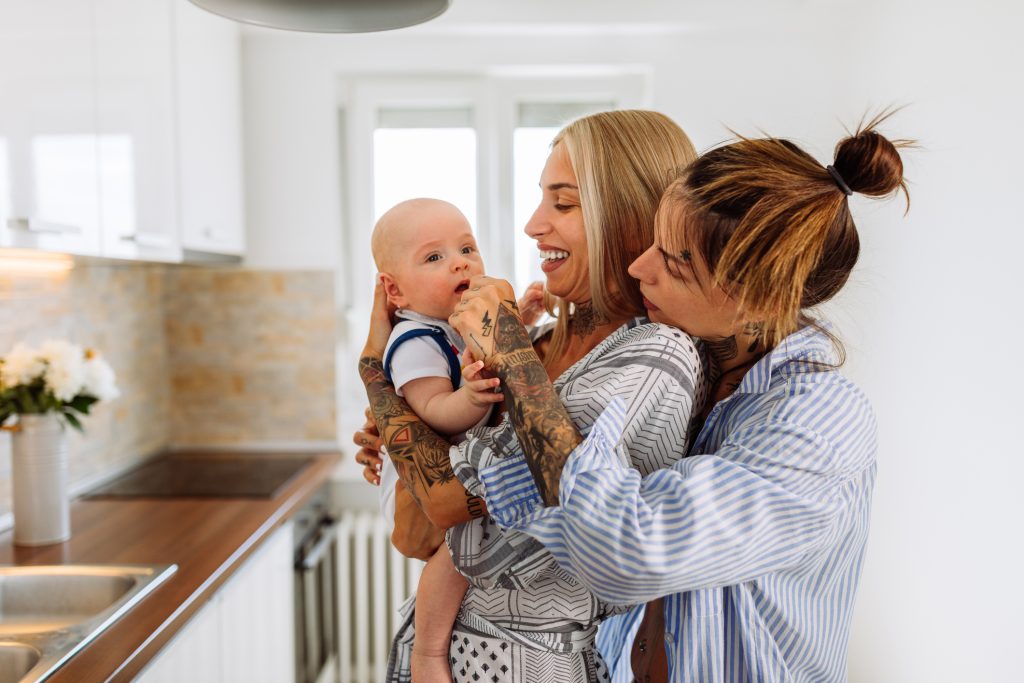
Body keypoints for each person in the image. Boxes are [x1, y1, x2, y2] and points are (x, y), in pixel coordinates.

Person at [448, 113, 910, 681]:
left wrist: (515, 360)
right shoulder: (696, 375)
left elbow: (624, 551)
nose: (641, 266)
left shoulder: (818, 420)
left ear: (756, 299)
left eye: (674, 259)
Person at [356, 110, 703, 682]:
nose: (533, 225)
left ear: (630, 213)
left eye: (563, 204)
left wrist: (375, 370)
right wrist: (409, 426)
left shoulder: (653, 357)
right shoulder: (532, 345)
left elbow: (444, 509)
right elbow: (412, 535)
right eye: (542, 199)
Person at [370, 198, 506, 683]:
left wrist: (520, 318)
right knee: (455, 552)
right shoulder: (413, 341)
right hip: (413, 490)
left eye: (467, 247)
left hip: (449, 472)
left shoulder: (451, 328)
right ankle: (427, 653)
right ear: (394, 290)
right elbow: (435, 412)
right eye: (434, 257)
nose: (460, 261)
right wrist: (470, 395)